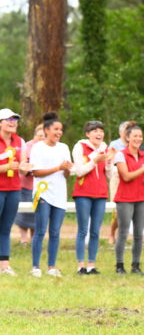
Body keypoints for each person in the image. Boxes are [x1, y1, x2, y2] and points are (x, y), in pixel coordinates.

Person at [30, 112, 73, 278]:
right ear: (46, 130)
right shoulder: (38, 148)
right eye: (56, 129)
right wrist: (58, 168)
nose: (59, 132)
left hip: (59, 195)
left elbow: (66, 174)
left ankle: (51, 266)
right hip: (43, 194)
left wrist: (67, 169)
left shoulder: (64, 148)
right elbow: (36, 172)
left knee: (55, 231)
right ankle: (35, 266)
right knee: (40, 230)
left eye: (61, 130)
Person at [113, 122, 144, 275]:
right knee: (123, 232)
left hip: (140, 197)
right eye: (135, 136)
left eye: (140, 136)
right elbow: (126, 177)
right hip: (125, 197)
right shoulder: (120, 155)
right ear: (127, 138)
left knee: (139, 233)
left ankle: (135, 265)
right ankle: (119, 265)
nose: (138, 139)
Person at [72, 121, 115, 275]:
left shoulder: (106, 149)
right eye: (95, 131)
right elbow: (79, 171)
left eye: (101, 131)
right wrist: (94, 161)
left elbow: (109, 175)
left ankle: (91, 264)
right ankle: (80, 265)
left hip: (101, 193)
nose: (99, 134)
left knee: (96, 231)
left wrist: (109, 163)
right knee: (83, 230)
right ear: (87, 134)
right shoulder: (80, 147)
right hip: (83, 192)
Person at [0, 108, 30, 276]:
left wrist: (25, 168)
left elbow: (23, 166)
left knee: (5, 228)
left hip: (13, 190)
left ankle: (4, 266)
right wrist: (6, 167)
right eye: (8, 119)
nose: (12, 122)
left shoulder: (20, 141)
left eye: (15, 119)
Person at [14, 124, 44, 246]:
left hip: (40, 186)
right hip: (25, 184)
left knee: (36, 214)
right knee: (23, 213)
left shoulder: (47, 147)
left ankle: (34, 238)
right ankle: (23, 239)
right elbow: (23, 163)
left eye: (44, 136)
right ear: (35, 135)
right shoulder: (27, 146)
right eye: (40, 135)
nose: (42, 138)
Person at [108, 121, 130, 245]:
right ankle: (111, 233)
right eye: (126, 130)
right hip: (117, 179)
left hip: (131, 178)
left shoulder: (136, 144)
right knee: (117, 209)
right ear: (121, 132)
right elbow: (112, 160)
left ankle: (123, 236)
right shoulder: (114, 144)